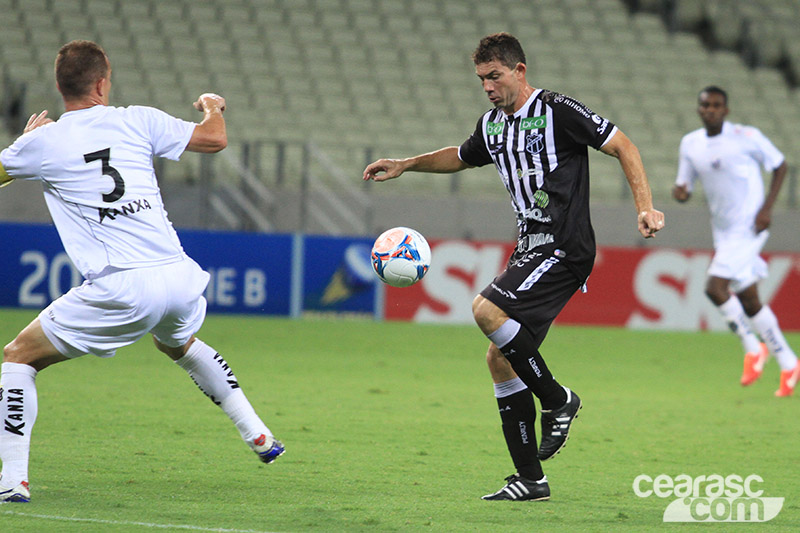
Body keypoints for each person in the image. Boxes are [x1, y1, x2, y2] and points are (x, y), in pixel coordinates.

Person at [363, 33, 664, 501]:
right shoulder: (492, 125)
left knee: (486, 311)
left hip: (564, 245)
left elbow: (624, 145)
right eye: (481, 78)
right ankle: (531, 479)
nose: (487, 86)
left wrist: (644, 207)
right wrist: (407, 164)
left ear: (519, 71)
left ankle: (560, 400)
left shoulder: (558, 110)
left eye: (494, 76)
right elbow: (460, 157)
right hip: (529, 248)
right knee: (499, 359)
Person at [0, 40, 284, 503]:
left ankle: (12, 481)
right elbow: (214, 139)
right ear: (101, 83)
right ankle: (259, 435)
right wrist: (213, 106)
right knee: (178, 343)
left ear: (59, 86)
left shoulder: (42, 143)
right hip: (177, 276)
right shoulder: (139, 119)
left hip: (122, 284)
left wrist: (23, 144)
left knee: (17, 357)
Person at [673, 85, 799, 397]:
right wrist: (682, 193)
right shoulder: (690, 143)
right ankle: (788, 361)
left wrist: (767, 208)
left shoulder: (746, 136)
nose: (710, 110)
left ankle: (753, 348)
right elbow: (684, 185)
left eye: (716, 105)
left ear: (726, 110)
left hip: (750, 226)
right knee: (750, 300)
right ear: (699, 109)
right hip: (724, 230)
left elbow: (781, 165)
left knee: (714, 288)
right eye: (705, 105)